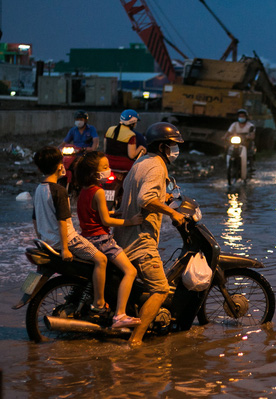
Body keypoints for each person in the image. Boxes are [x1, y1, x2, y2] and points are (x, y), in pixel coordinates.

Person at [113, 122, 186, 345]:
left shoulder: (141, 162)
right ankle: (136, 341)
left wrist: (165, 198)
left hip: (123, 235)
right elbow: (145, 199)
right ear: (163, 146)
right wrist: (172, 214)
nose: (176, 150)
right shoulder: (156, 166)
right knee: (161, 289)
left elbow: (133, 193)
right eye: (173, 145)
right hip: (140, 240)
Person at [32, 146, 108, 314]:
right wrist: (65, 249)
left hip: (47, 241)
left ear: (39, 168)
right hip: (68, 240)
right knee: (101, 260)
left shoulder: (38, 189)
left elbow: (35, 219)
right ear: (60, 166)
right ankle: (100, 302)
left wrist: (43, 237)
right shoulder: (59, 190)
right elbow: (62, 221)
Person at [75, 151, 144, 329]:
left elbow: (94, 214)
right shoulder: (98, 191)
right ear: (93, 173)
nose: (109, 170)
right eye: (104, 167)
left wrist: (115, 212)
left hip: (87, 238)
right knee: (131, 271)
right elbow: (105, 221)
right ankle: (120, 314)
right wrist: (130, 221)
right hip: (102, 241)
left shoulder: (83, 191)